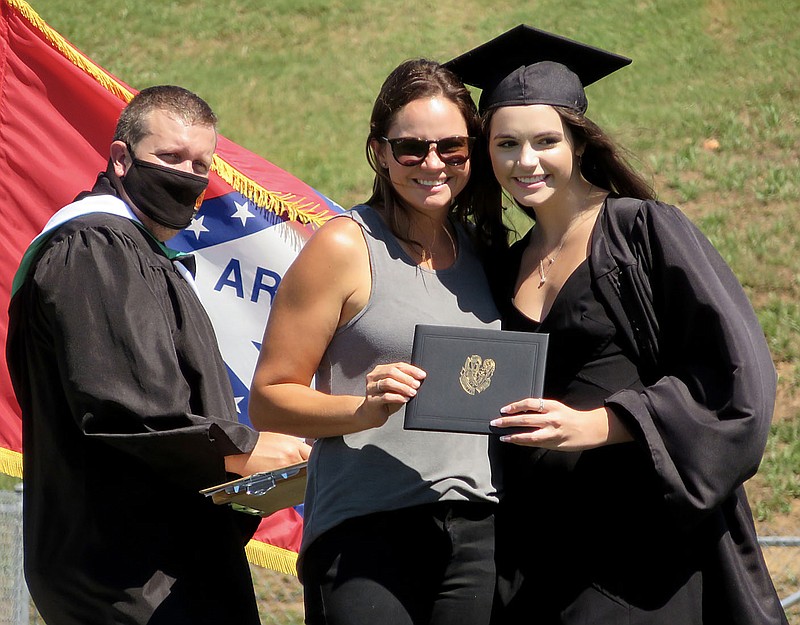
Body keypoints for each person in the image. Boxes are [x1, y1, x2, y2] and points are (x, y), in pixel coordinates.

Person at [444, 25, 788, 625]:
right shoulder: (501, 264)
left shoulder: (642, 232)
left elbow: (735, 374)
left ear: (578, 142)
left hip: (642, 551)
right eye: (505, 145)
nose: (525, 161)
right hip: (538, 553)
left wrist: (600, 423)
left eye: (545, 140)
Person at [6, 85, 311, 625]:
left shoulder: (141, 254)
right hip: (132, 575)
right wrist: (248, 452)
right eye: (169, 158)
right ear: (121, 158)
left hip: (162, 563)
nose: (187, 176)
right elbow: (130, 410)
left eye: (201, 165)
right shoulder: (97, 250)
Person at [248, 59, 504, 625]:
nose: (433, 163)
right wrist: (361, 410)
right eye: (411, 148)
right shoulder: (343, 245)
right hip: (366, 529)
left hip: (481, 530)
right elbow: (268, 397)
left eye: (453, 148)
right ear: (379, 152)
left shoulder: (487, 252)